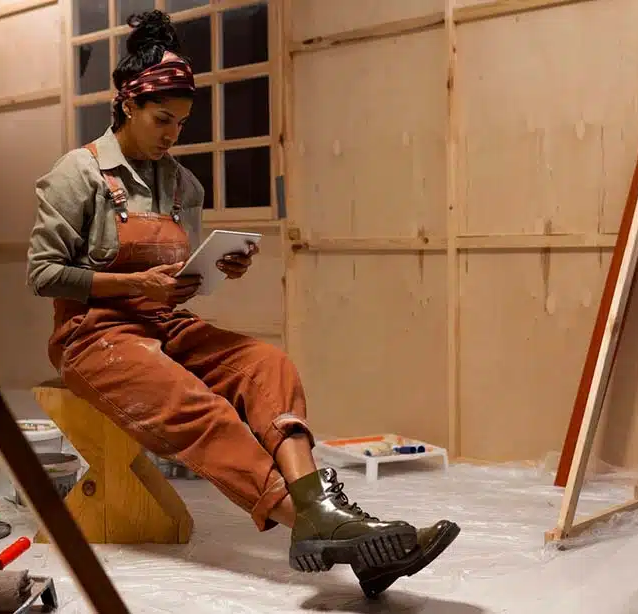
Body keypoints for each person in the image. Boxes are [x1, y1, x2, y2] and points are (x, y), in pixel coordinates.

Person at [26, 9, 459, 593]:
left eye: (181, 123)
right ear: (127, 104)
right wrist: (137, 286)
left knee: (267, 364)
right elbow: (44, 274)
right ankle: (312, 520)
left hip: (167, 321)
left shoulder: (183, 185)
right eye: (162, 120)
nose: (172, 135)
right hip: (94, 337)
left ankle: (327, 518)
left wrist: (217, 267)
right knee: (195, 402)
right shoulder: (76, 175)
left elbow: (178, 274)